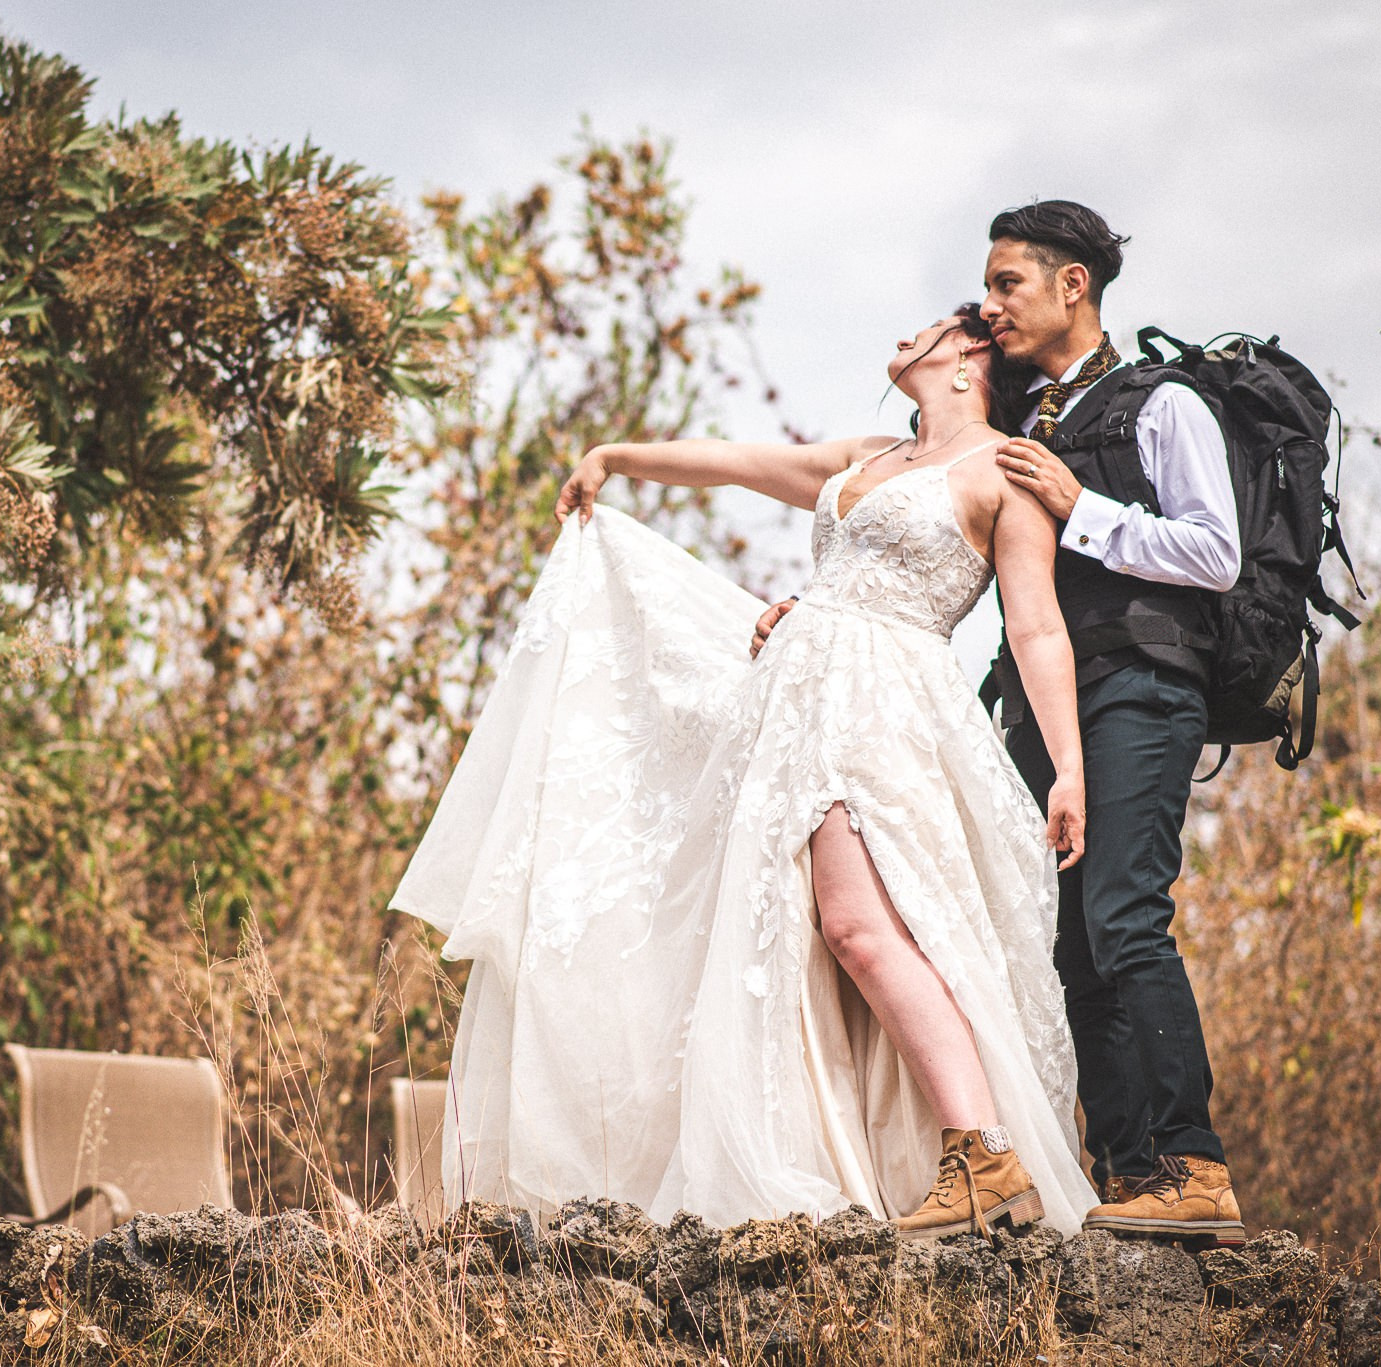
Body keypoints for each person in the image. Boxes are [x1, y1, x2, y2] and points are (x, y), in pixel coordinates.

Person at [390, 304, 1100, 1238]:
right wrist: (616, 454)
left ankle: (984, 1151)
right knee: (795, 937)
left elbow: (1036, 626)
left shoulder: (1000, 473)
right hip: (798, 703)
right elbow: (733, 459)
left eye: (925, 326)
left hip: (886, 705)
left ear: (968, 354)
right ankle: (912, 1152)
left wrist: (1067, 768)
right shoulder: (868, 455)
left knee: (858, 925)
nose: (900, 335)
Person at [983, 200, 1245, 1244]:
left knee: (1124, 913)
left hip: (1140, 685)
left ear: (1070, 286)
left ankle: (1194, 1162)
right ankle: (1127, 1176)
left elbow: (1214, 553)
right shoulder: (1025, 420)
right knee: (1067, 945)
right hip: (1041, 711)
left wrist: (1077, 505)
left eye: (1007, 282)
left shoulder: (1161, 402)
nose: (992, 303)